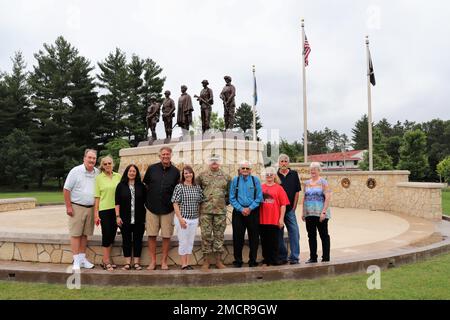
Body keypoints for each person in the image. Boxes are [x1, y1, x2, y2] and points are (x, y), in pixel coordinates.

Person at [143, 147, 180, 270]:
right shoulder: (152, 169)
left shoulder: (176, 172)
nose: (165, 156)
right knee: (152, 235)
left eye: (168, 154)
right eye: (163, 154)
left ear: (171, 155)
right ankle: (153, 261)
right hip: (151, 207)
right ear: (160, 156)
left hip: (168, 209)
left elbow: (177, 190)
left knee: (166, 236)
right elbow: (146, 185)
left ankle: (164, 261)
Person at [63, 149, 99, 271]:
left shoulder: (97, 172)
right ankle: (76, 261)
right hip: (76, 207)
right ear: (84, 158)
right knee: (75, 234)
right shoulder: (75, 171)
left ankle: (83, 259)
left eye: (94, 158)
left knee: (85, 235)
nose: (92, 160)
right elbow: (66, 189)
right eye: (90, 157)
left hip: (91, 208)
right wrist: (68, 206)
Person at [196, 154, 231, 270]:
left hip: (220, 211)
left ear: (220, 162)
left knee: (219, 236)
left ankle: (218, 261)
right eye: (212, 161)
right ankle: (206, 261)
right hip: (205, 211)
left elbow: (229, 194)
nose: (214, 163)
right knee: (206, 235)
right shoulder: (201, 176)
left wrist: (221, 203)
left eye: (216, 161)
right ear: (208, 162)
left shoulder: (226, 177)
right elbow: (197, 191)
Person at [229, 160, 263, 268]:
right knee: (238, 237)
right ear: (239, 170)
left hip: (252, 212)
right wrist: (241, 208)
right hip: (238, 213)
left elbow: (259, 197)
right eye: (243, 168)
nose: (245, 170)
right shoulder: (235, 181)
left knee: (254, 237)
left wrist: (250, 208)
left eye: (247, 168)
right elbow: (231, 197)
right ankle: (238, 261)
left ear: (250, 170)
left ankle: (252, 261)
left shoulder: (255, 180)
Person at [172, 165, 204, 270]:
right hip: (183, 218)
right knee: (183, 241)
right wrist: (180, 219)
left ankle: (188, 263)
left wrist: (199, 217)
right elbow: (175, 203)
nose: (188, 175)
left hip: (194, 219)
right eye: (186, 173)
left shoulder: (197, 187)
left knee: (190, 242)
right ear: (183, 175)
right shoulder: (179, 187)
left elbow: (200, 203)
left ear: (193, 174)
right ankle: (183, 264)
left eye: (190, 173)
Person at [115, 164, 146, 271]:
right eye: (130, 171)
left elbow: (145, 203)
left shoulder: (141, 186)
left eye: (134, 171)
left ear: (136, 173)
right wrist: (117, 216)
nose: (132, 173)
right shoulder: (121, 186)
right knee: (126, 240)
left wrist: (145, 219)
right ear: (127, 172)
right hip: (125, 218)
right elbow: (117, 203)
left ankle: (137, 263)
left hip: (139, 219)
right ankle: (127, 263)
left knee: (138, 240)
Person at [94, 155, 122, 271]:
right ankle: (106, 261)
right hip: (104, 210)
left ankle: (107, 259)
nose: (107, 166)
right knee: (106, 234)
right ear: (102, 166)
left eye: (109, 163)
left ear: (113, 164)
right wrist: (96, 214)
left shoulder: (118, 176)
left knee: (112, 235)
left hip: (116, 210)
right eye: (105, 164)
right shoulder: (98, 178)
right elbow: (97, 197)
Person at [302, 162, 332, 263]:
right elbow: (304, 198)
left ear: (319, 170)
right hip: (309, 214)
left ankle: (326, 258)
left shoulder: (323, 182)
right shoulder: (306, 183)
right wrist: (303, 212)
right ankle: (313, 257)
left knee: (324, 235)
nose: (313, 171)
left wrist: (323, 212)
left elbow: (327, 198)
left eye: (315, 169)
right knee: (311, 236)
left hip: (320, 214)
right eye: (311, 169)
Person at [259, 167, 289, 266]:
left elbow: (283, 205)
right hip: (263, 219)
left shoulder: (279, 188)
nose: (269, 176)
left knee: (274, 242)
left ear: (274, 176)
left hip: (274, 219)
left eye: (271, 174)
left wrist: (281, 219)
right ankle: (266, 259)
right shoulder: (261, 187)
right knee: (264, 241)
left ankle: (275, 259)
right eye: (267, 174)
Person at [277, 154, 301, 264]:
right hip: (278, 211)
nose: (283, 163)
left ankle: (294, 257)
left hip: (290, 210)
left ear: (288, 163)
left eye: (285, 161)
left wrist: (294, 207)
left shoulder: (294, 174)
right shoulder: (275, 175)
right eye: (281, 161)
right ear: (279, 163)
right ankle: (282, 256)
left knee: (294, 232)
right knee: (278, 234)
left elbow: (297, 192)